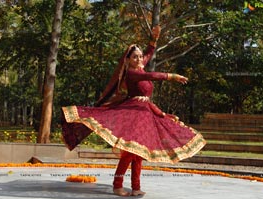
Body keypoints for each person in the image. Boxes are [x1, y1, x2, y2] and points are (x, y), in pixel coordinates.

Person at [61, 25, 206, 197]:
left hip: (145, 115)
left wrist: (153, 40)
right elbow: (151, 76)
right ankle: (117, 185)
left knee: (138, 155)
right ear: (128, 60)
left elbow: (149, 58)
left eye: (140, 57)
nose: (138, 60)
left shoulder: (140, 67)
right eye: (135, 57)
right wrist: (171, 76)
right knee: (129, 153)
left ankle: (136, 187)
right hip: (132, 116)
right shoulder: (132, 73)